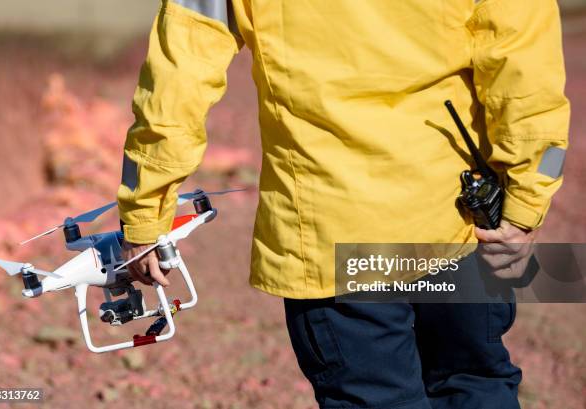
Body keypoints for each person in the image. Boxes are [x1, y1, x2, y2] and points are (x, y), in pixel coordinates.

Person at [118, 1, 570, 408]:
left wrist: (145, 211)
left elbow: (177, 83)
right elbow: (527, 71)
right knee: (474, 384)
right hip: (459, 220)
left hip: (332, 236)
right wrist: (525, 204)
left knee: (380, 397)